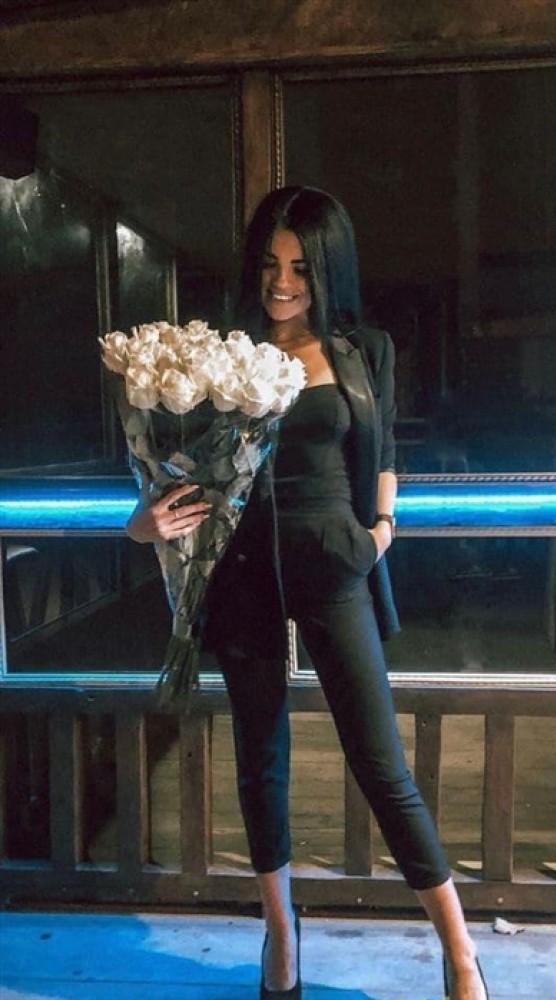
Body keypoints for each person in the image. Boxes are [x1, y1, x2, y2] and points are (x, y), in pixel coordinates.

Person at [126, 185, 489, 1000]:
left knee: (381, 763)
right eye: (270, 265)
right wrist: (143, 523)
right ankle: (282, 935)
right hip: (243, 569)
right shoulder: (219, 358)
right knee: (261, 758)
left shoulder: (365, 351)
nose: (282, 283)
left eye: (299, 267)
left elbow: (383, 451)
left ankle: (461, 950)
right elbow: (179, 469)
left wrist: (382, 528)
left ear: (328, 270)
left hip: (332, 563)